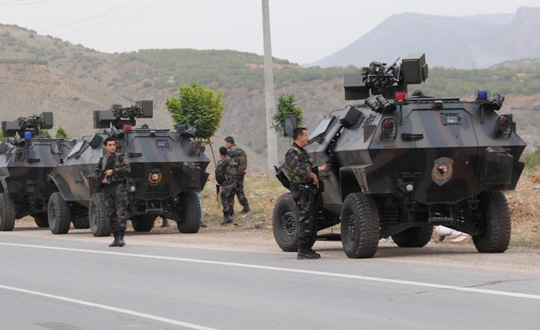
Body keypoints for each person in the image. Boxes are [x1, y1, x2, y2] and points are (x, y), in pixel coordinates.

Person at [284, 127, 327, 260]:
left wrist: (320, 170)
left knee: (312, 218)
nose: (307, 138)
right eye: (305, 135)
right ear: (298, 137)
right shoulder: (292, 152)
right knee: (305, 219)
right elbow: (298, 170)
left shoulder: (302, 152)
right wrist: (313, 175)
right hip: (301, 190)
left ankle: (307, 248)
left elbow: (307, 168)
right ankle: (302, 250)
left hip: (307, 189)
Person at [95, 137, 130, 247]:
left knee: (121, 213)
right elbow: (96, 172)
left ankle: (120, 238)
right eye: (109, 145)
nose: (112, 147)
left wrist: (113, 172)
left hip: (119, 188)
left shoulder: (121, 157)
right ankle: (115, 238)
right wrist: (101, 177)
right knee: (111, 214)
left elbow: (127, 169)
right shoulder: (102, 160)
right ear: (105, 147)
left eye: (114, 145)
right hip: (107, 189)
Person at [224, 136, 250, 214]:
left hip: (233, 175)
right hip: (241, 174)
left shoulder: (230, 152)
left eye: (226, 143)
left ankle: (230, 211)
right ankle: (246, 207)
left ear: (229, 142)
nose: (225, 144)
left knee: (230, 192)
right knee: (239, 191)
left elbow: (227, 163)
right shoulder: (240, 150)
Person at [215, 146, 237, 225]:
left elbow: (218, 173)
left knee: (224, 198)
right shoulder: (232, 160)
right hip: (234, 182)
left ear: (220, 153)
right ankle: (230, 216)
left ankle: (226, 216)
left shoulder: (222, 162)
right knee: (231, 198)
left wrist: (220, 182)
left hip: (226, 183)